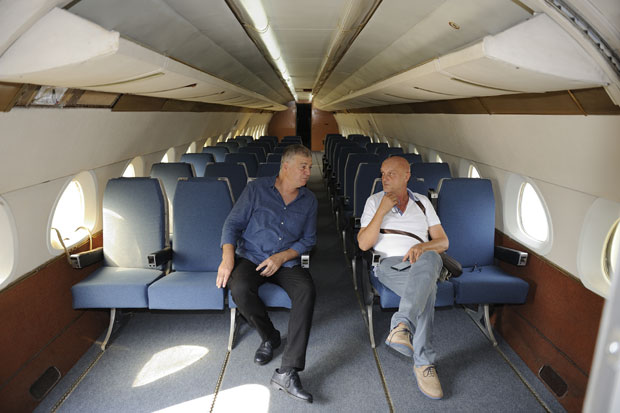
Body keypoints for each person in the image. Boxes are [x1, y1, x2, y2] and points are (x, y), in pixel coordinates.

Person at [217, 144, 317, 403]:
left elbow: (308, 240)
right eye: (303, 167)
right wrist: (228, 258)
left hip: (286, 262)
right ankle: (269, 336)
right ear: (285, 167)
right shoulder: (256, 190)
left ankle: (288, 371)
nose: (308, 172)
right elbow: (232, 224)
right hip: (252, 257)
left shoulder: (309, 200)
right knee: (239, 288)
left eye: (309, 167)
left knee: (306, 290)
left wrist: (281, 257)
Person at [357, 155, 449, 400]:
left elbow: (443, 242)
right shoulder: (373, 201)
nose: (384, 178)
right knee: (427, 291)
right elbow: (364, 244)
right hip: (390, 264)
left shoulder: (423, 202)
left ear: (407, 176)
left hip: (421, 262)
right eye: (382, 173)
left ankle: (402, 327)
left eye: (391, 173)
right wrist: (382, 211)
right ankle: (424, 363)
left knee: (431, 257)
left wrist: (422, 247)